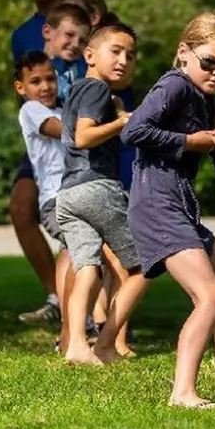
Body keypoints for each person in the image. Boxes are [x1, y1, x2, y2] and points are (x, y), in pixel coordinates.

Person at [121, 11, 215, 408]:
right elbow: (134, 130)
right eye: (209, 62)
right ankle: (183, 393)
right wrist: (194, 141)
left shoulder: (208, 101)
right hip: (156, 205)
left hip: (179, 205)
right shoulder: (174, 85)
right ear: (184, 52)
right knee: (210, 296)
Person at [56, 24, 147, 365]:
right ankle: (110, 342)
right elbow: (84, 137)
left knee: (88, 269)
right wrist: (124, 121)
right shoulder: (97, 88)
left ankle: (77, 345)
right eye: (116, 51)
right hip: (98, 189)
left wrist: (118, 114)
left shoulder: (79, 90)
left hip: (69, 193)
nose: (124, 60)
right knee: (144, 266)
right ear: (90, 55)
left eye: (131, 55)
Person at [10, 0, 67, 326]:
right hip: (48, 134)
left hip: (85, 134)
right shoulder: (23, 35)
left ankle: (91, 305)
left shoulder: (81, 21)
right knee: (20, 206)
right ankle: (56, 296)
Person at [13, 52, 74, 352]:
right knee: (77, 249)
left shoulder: (64, 111)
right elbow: (62, 132)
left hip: (75, 195)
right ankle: (72, 322)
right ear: (21, 88)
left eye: (50, 79)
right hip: (54, 201)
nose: (45, 86)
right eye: (35, 81)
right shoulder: (31, 111)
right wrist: (100, 127)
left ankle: (84, 319)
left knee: (78, 252)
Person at [42, 3, 90, 102]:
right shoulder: (34, 67)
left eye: (82, 41)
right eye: (69, 34)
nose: (76, 44)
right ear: (47, 32)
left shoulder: (82, 70)